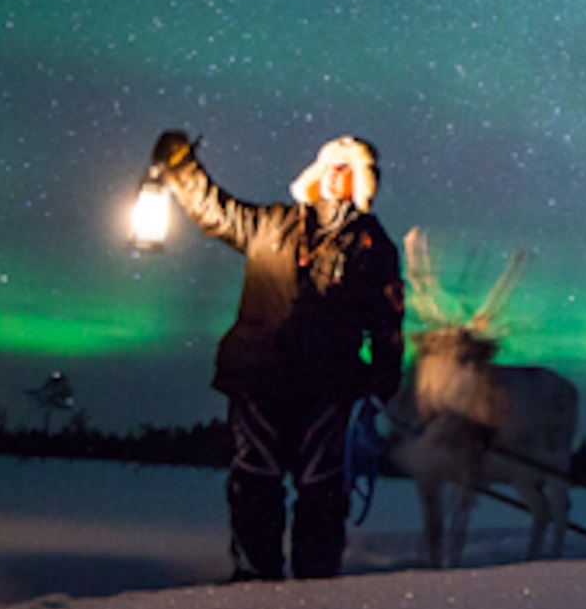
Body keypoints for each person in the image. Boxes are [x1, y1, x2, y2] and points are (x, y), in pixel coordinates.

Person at [147, 129, 406, 580]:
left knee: (322, 493)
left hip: (328, 388)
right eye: (330, 165)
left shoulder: (373, 246)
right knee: (254, 482)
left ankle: (316, 588)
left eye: (347, 170)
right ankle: (254, 581)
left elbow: (386, 321)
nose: (335, 174)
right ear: (316, 173)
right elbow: (217, 212)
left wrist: (382, 384)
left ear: (362, 184)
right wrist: (182, 168)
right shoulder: (271, 223)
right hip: (260, 380)